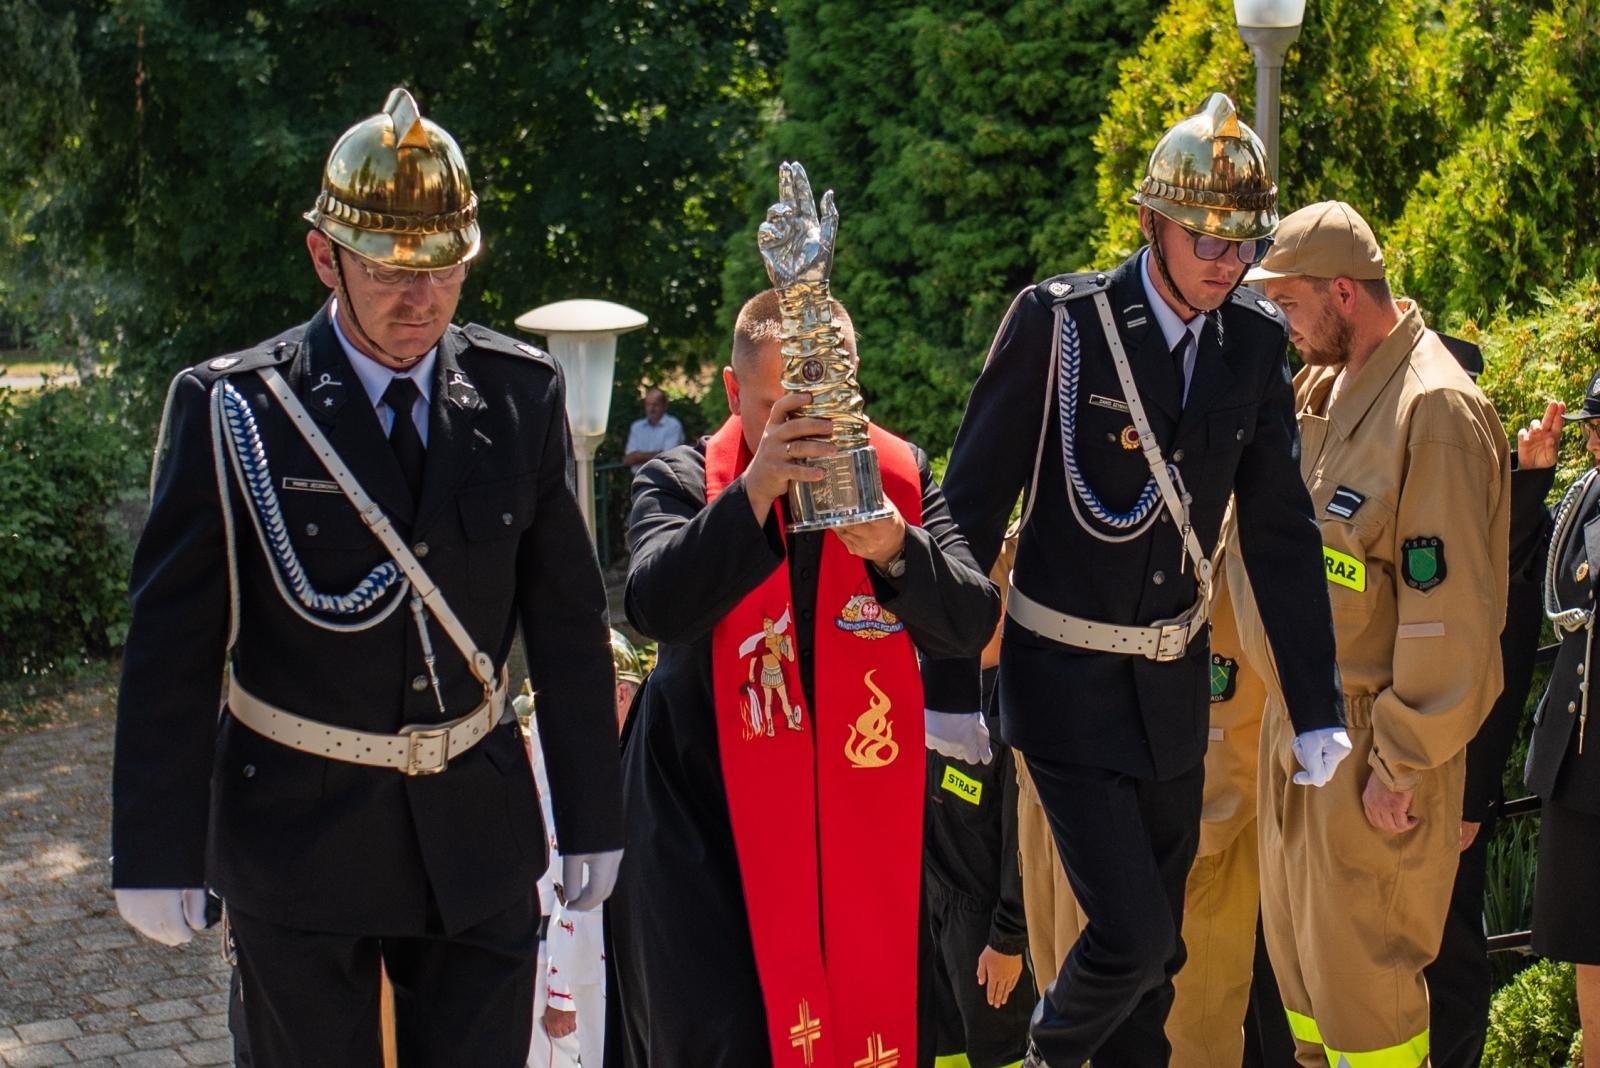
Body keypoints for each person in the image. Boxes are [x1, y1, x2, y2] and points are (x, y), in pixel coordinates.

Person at [109, 88, 623, 1067]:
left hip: (475, 835)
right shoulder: (238, 408)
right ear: (324, 257)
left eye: (442, 269)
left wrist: (593, 816)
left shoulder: (519, 395)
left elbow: (565, 625)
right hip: (297, 835)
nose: (418, 299)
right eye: (388, 270)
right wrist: (153, 845)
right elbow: (172, 646)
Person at [924, 93, 1347, 1067]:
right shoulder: (1062, 325)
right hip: (1059, 686)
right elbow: (969, 507)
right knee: (1131, 934)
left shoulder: (1253, 345)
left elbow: (1280, 533)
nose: (1226, 260)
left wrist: (1316, 706)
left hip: (1171, 693)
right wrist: (948, 688)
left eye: (1243, 242)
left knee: (1157, 971)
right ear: (1152, 221)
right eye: (1206, 237)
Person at [606, 287, 998, 1067]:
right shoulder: (685, 480)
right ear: (732, 393)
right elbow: (655, 606)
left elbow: (971, 624)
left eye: (827, 404)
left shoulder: (899, 480)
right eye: (779, 409)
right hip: (704, 830)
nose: (808, 430)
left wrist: (895, 549)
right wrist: (755, 489)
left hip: (859, 830)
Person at [1235, 199, 1509, 1067]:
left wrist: (1400, 761)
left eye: (1289, 303)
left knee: (1374, 1022)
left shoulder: (1434, 409)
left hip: (1372, 760)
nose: (1282, 323)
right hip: (1298, 737)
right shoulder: (1319, 391)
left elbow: (1450, 617)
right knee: (1311, 1021)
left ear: (1343, 293)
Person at [1422, 338, 1556, 1068]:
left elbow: (1504, 653)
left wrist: (1471, 797)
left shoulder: (1500, 502)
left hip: (1450, 786)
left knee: (1447, 957)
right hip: (1374, 774)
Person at [920, 534, 1034, 1068]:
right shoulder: (937, 686)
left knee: (1000, 1053)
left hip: (988, 931)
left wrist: (1009, 939)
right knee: (943, 1050)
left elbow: (1023, 843)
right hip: (933, 911)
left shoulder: (1017, 707)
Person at [524, 630, 644, 1068]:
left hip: (632, 954)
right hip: (588, 957)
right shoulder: (584, 770)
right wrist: (560, 987)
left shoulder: (639, 758)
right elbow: (564, 879)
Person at [1527, 373, 1600, 1041]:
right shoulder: (1587, 496)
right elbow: (1531, 575)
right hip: (1582, 762)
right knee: (1587, 942)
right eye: (1591, 429)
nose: (1594, 442)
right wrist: (1533, 481)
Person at [622, 387, 685, 470]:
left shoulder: (673, 425)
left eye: (655, 405)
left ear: (665, 406)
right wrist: (657, 455)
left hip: (665, 476)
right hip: (638, 476)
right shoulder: (637, 427)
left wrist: (638, 456)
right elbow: (627, 460)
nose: (651, 409)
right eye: (648, 404)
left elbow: (668, 457)